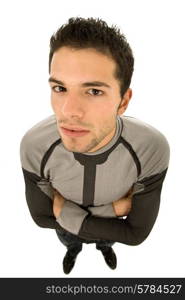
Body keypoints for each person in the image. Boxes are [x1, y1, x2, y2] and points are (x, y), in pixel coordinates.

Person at [20, 17, 170, 274]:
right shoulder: (35, 146)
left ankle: (104, 249)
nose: (69, 112)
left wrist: (65, 211)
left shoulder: (150, 149)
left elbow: (135, 234)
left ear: (123, 101)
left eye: (94, 91)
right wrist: (115, 210)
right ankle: (73, 252)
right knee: (70, 242)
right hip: (91, 225)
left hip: (82, 224)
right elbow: (42, 218)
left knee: (105, 242)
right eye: (60, 87)